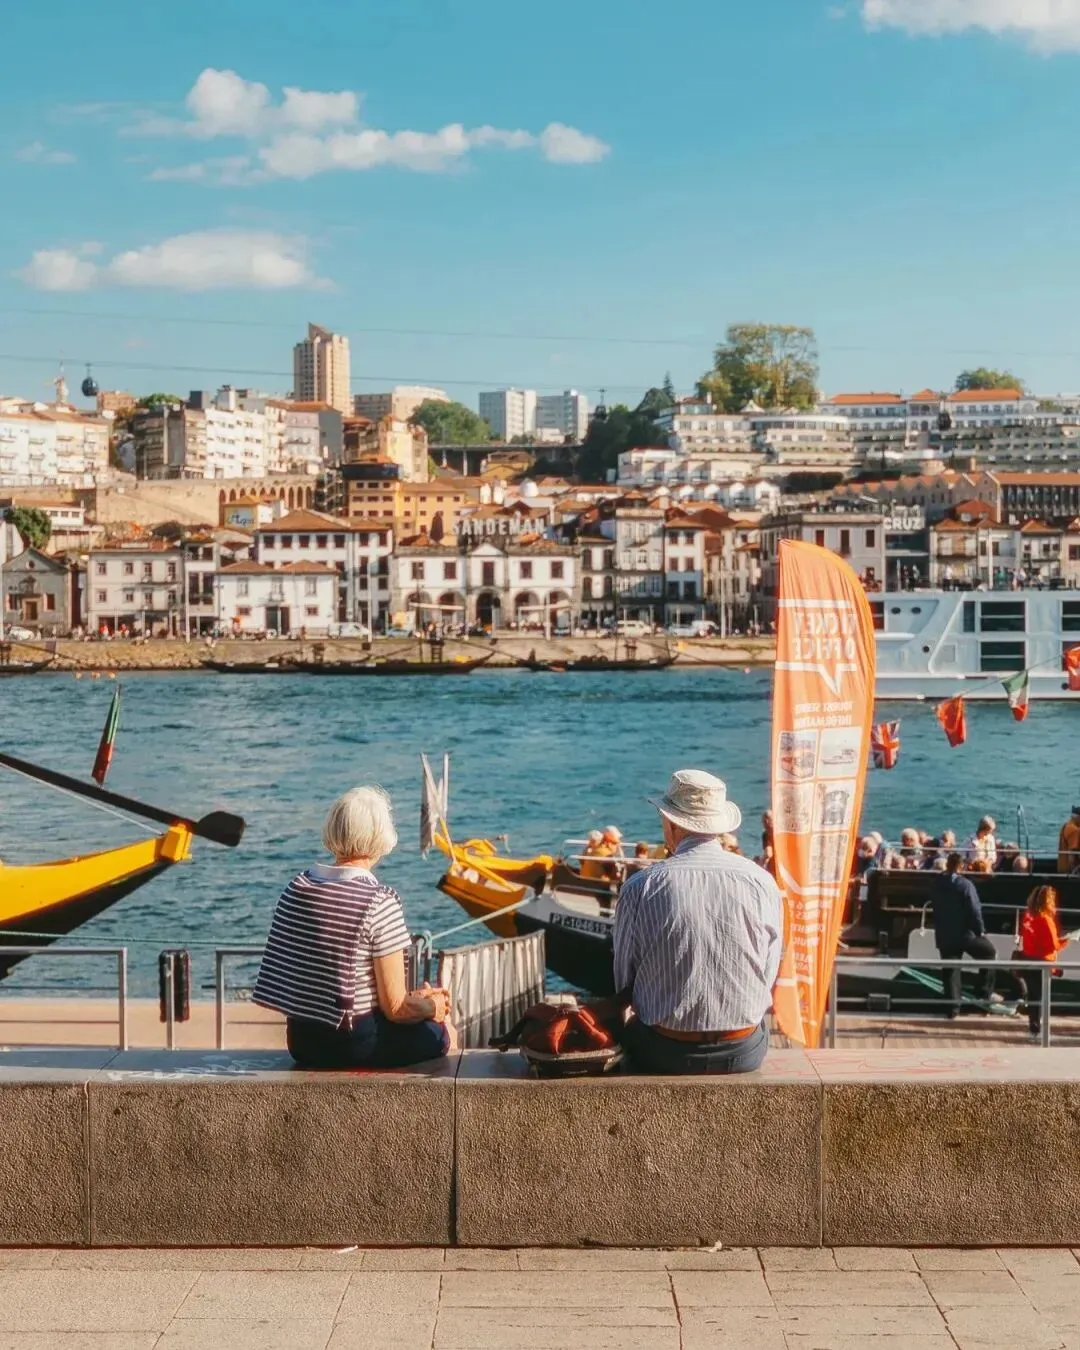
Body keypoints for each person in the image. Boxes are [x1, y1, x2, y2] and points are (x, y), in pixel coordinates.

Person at [253, 786, 455, 1069]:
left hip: (302, 1043)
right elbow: (395, 1008)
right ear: (381, 837)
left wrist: (419, 1002)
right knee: (444, 1034)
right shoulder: (379, 901)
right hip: (355, 1043)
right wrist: (434, 1007)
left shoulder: (297, 888)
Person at [614, 769, 783, 1074]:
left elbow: (624, 980)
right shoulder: (762, 882)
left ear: (672, 823)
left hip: (663, 1051)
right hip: (743, 1050)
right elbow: (768, 970)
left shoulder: (640, 886)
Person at [930, 852, 999, 1017]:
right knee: (989, 953)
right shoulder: (965, 885)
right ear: (961, 866)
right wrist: (980, 930)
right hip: (965, 934)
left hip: (945, 933)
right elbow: (974, 909)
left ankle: (952, 1008)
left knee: (951, 970)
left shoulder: (937, 883)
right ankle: (983, 994)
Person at [1014, 885, 1067, 1042]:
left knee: (1034, 996)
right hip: (1043, 963)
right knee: (1041, 997)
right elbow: (1052, 945)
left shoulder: (1028, 916)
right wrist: (1067, 940)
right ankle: (1038, 1031)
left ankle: (1034, 1029)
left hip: (1028, 959)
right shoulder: (1046, 920)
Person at [1058, 807, 1080, 875]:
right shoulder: (1074, 830)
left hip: (1062, 866)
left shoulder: (1066, 825)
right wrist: (1073, 872)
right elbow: (1072, 852)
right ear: (1078, 817)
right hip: (1070, 870)